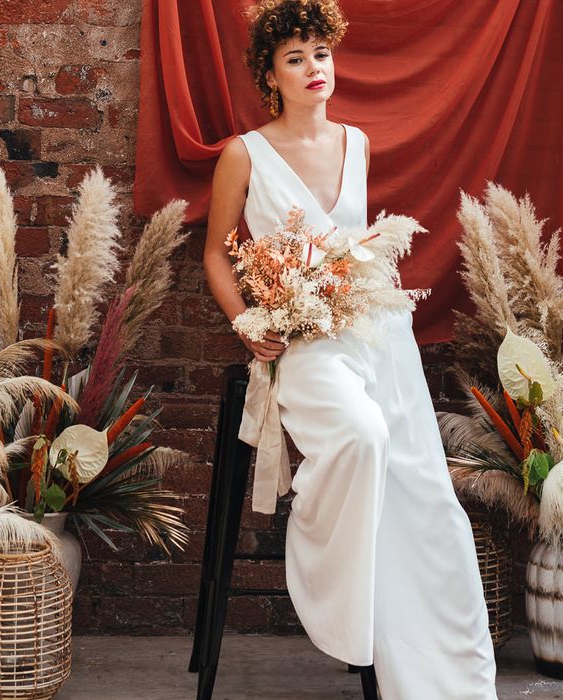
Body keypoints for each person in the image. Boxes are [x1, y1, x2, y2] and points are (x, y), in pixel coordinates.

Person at [203, 1, 498, 697]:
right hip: (303, 344)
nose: (314, 69)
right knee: (361, 440)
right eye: (295, 58)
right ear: (270, 75)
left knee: (423, 490)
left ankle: (441, 672)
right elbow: (217, 255)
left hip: (377, 334)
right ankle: (328, 577)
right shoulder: (243, 153)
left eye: (321, 54)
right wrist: (247, 321)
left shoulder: (357, 142)